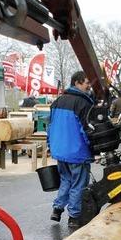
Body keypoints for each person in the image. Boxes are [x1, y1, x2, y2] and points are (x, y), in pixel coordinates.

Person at [46, 71, 95, 229]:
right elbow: (86, 130)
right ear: (77, 83)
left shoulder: (57, 102)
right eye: (86, 83)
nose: (89, 86)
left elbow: (50, 127)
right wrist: (93, 148)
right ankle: (74, 217)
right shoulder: (83, 103)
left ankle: (57, 209)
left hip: (60, 151)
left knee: (66, 180)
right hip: (77, 152)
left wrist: (50, 145)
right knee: (78, 184)